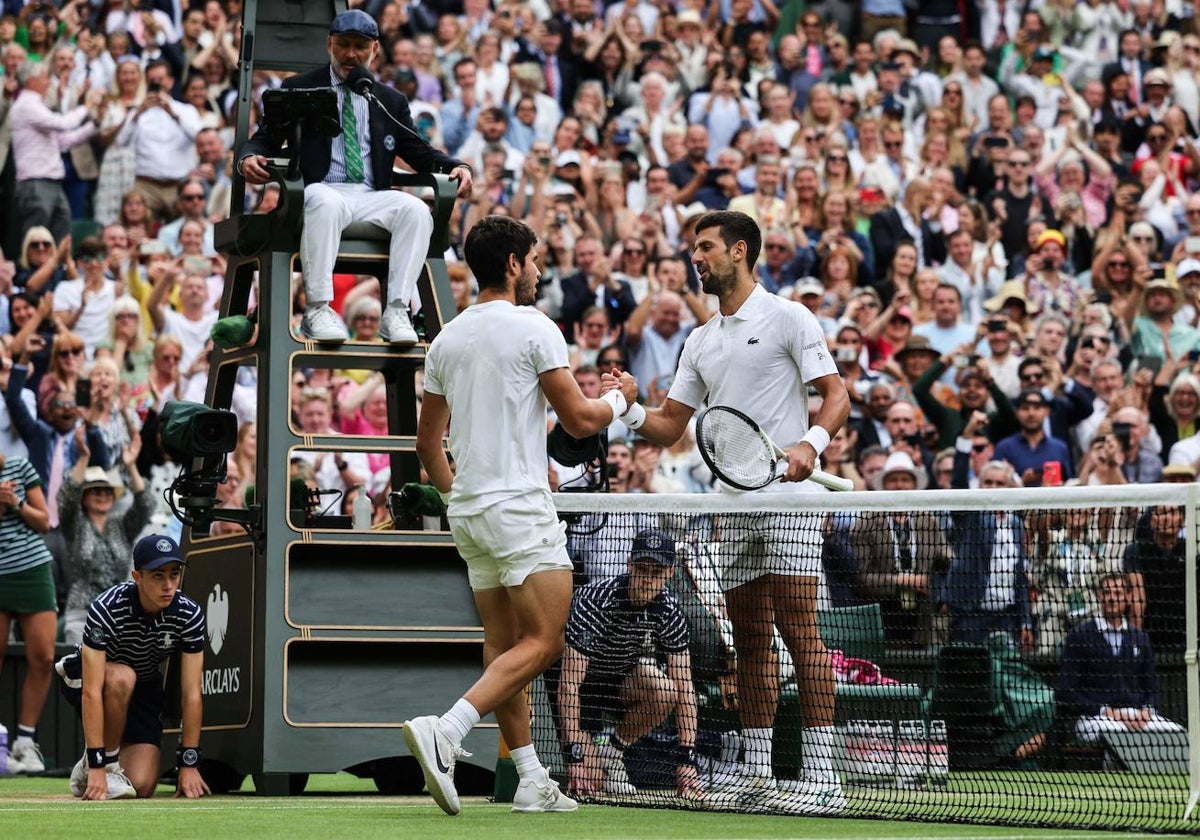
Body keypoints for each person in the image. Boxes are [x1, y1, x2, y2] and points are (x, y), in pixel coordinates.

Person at [602, 210, 851, 814]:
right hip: (732, 503)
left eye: (707, 247)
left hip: (790, 499)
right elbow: (667, 427)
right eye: (695, 248)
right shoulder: (700, 340)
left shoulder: (789, 317)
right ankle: (760, 773)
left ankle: (823, 777)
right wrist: (630, 408)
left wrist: (808, 446)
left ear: (740, 251)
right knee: (749, 641)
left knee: (799, 630)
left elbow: (837, 394)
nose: (697, 257)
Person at [407, 215, 638, 816]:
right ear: (512, 264)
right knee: (544, 641)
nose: (538, 270)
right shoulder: (536, 327)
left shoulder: (446, 339)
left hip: (471, 515)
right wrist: (622, 399)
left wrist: (459, 497)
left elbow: (427, 445)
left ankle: (532, 777)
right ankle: (449, 730)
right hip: (518, 510)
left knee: (503, 643)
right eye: (533, 260)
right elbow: (583, 420)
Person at [237, 10, 474, 344]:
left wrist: (456, 166)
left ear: (374, 49)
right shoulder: (300, 87)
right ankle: (317, 308)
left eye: (360, 46)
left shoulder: (389, 99)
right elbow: (266, 137)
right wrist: (249, 156)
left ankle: (396, 310)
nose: (351, 54)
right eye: (344, 44)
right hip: (321, 189)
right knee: (325, 201)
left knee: (416, 211)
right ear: (329, 44)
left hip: (369, 194)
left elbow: (418, 149)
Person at [547, 528, 703, 800]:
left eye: (656, 573)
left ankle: (613, 751)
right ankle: (592, 759)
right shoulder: (594, 600)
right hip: (578, 686)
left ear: (669, 573)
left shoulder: (670, 613)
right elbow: (569, 685)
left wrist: (687, 761)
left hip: (619, 678)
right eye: (642, 569)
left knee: (667, 691)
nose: (647, 579)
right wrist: (574, 758)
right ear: (629, 565)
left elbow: (685, 688)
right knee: (590, 783)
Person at [54, 534, 210, 800]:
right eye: (158, 576)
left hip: (143, 686)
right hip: (88, 678)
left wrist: (188, 763)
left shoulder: (189, 614)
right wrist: (99, 766)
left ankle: (88, 767)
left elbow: (192, 694)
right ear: (137, 576)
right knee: (123, 677)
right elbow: (91, 691)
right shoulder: (107, 607)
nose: (169, 585)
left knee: (141, 785)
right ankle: (103, 763)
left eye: (174, 575)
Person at [1058, 573, 1183, 745]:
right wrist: (1105, 711)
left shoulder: (1140, 637)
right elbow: (1066, 691)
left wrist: (1146, 711)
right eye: (1107, 593)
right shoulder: (1079, 636)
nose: (1112, 599)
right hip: (1095, 718)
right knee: (1120, 738)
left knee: (1177, 735)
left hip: (1136, 716)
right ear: (1099, 596)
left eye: (1117, 593)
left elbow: (1153, 689)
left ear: (1128, 597)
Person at [0, 453, 54, 775]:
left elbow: (44, 521)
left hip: (32, 568)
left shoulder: (19, 465)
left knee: (45, 657)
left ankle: (25, 741)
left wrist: (15, 502)